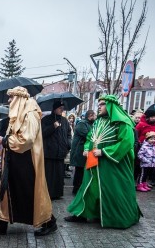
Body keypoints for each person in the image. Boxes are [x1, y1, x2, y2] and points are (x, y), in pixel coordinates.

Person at [0, 86, 55, 237]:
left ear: (19, 98)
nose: (9, 101)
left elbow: (27, 139)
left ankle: (50, 222)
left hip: (27, 161)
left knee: (31, 191)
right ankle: (1, 224)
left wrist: (3, 140)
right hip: (15, 158)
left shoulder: (30, 114)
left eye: (11, 98)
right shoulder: (19, 114)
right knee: (7, 189)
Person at [66, 95, 142, 228]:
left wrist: (104, 152)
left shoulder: (122, 122)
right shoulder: (98, 122)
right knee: (89, 186)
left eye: (102, 104)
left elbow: (126, 142)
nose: (99, 107)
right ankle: (82, 214)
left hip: (112, 164)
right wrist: (86, 148)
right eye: (99, 104)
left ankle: (114, 216)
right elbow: (90, 137)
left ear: (111, 105)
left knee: (113, 188)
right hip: (93, 161)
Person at [41, 100, 71, 200]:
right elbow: (42, 134)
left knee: (59, 174)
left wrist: (68, 144)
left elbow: (68, 134)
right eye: (59, 108)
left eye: (62, 108)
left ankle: (58, 193)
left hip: (61, 152)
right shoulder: (46, 120)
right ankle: (48, 193)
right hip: (49, 152)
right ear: (54, 109)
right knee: (49, 174)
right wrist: (53, 127)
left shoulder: (65, 120)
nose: (61, 109)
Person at [70, 110, 95, 195]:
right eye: (94, 116)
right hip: (79, 151)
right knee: (79, 171)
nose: (95, 118)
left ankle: (81, 188)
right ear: (90, 116)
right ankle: (76, 190)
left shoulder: (90, 124)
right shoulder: (81, 124)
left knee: (82, 171)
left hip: (84, 151)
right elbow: (88, 135)